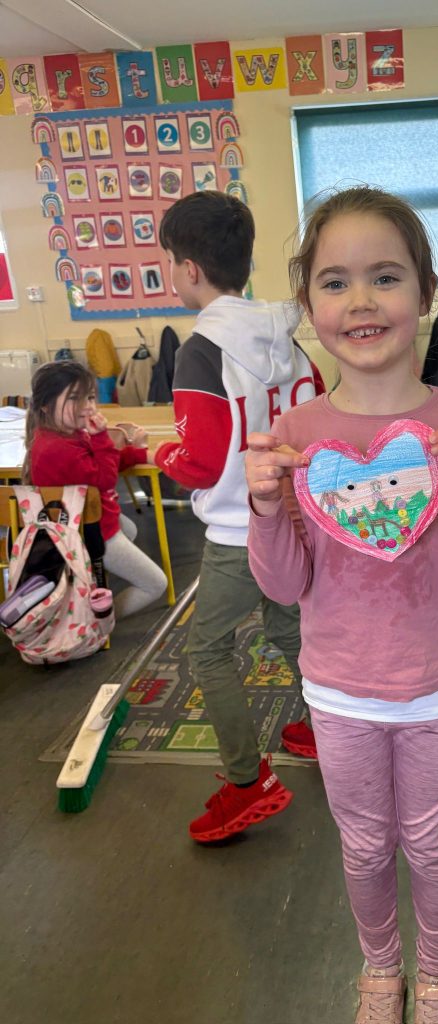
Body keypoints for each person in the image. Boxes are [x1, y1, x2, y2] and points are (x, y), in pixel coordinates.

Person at [245, 186, 438, 1024]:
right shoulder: (297, 434)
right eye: (335, 281)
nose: (360, 300)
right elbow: (283, 586)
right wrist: (263, 507)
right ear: (309, 305)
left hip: (434, 686)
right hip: (337, 689)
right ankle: (380, 967)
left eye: (385, 277)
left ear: (425, 294)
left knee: (431, 842)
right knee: (362, 844)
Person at [154, 190, 324, 844]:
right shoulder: (289, 339)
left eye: (171, 261)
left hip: (236, 533)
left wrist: (157, 452)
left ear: (190, 268)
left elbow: (198, 465)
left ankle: (248, 783)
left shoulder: (201, 351)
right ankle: (326, 726)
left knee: (208, 650)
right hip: (293, 519)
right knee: (288, 626)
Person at [26, 360, 167, 617]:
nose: (88, 406)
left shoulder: (66, 435)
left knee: (130, 529)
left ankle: (93, 582)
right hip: (88, 531)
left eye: (90, 397)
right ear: (46, 405)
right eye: (74, 398)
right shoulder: (58, 448)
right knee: (155, 584)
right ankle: (96, 621)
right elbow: (105, 479)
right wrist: (102, 437)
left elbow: (102, 464)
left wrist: (140, 454)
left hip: (93, 521)